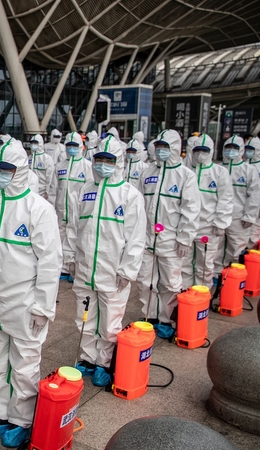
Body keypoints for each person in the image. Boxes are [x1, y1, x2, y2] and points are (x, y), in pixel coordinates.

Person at [0, 138, 62, 448]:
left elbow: (50, 262)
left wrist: (42, 306)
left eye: (6, 170)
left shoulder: (39, 209)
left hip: (24, 304)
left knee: (23, 365)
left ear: (21, 170)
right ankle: (0, 413)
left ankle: (21, 419)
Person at [64, 136, 146, 387]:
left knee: (110, 319)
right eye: (98, 159)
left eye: (108, 160)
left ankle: (104, 362)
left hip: (113, 270)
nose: (102, 165)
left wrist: (127, 269)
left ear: (118, 162)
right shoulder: (85, 190)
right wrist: (71, 257)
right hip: (86, 266)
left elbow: (136, 237)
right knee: (85, 316)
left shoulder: (129, 195)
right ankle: (88, 358)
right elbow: (74, 227)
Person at [137, 129, 201, 339]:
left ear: (175, 148)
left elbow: (190, 209)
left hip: (171, 241)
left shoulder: (185, 176)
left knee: (171, 283)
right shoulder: (148, 173)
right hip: (147, 239)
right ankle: (150, 316)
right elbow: (138, 205)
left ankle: (167, 319)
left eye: (166, 147)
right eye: (159, 147)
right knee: (146, 280)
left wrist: (185, 238)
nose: (161, 151)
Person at [181, 134, 232, 288]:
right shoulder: (186, 172)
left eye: (204, 150)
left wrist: (221, 223)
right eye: (197, 150)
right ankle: (186, 295)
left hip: (208, 227)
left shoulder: (219, 173)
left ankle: (202, 297)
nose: (200, 154)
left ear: (211, 151)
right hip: (188, 226)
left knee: (205, 265)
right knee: (185, 263)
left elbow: (225, 199)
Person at [215, 135, 260, 276]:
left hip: (239, 217)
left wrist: (250, 216)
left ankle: (233, 277)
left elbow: (255, 195)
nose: (231, 151)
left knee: (236, 249)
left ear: (241, 150)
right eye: (228, 148)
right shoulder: (218, 169)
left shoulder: (248, 170)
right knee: (217, 248)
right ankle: (217, 275)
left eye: (235, 148)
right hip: (219, 216)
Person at [54, 132, 93, 282]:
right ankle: (63, 267)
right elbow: (54, 188)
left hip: (78, 211)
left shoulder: (87, 166)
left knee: (77, 237)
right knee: (60, 237)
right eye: (69, 145)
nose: (71, 148)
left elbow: (89, 189)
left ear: (81, 147)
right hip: (61, 209)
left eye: (74, 146)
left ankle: (75, 267)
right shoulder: (60, 166)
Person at [28, 134, 56, 203]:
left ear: (40, 144)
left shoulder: (47, 159)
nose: (33, 145)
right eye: (32, 143)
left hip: (42, 191)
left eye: (35, 143)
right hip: (30, 189)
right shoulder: (29, 158)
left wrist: (47, 191)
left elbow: (50, 177)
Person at [245, 137, 260, 247]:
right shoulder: (243, 166)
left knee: (253, 236)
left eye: (251, 149)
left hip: (257, 211)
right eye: (247, 149)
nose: (248, 152)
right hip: (243, 210)